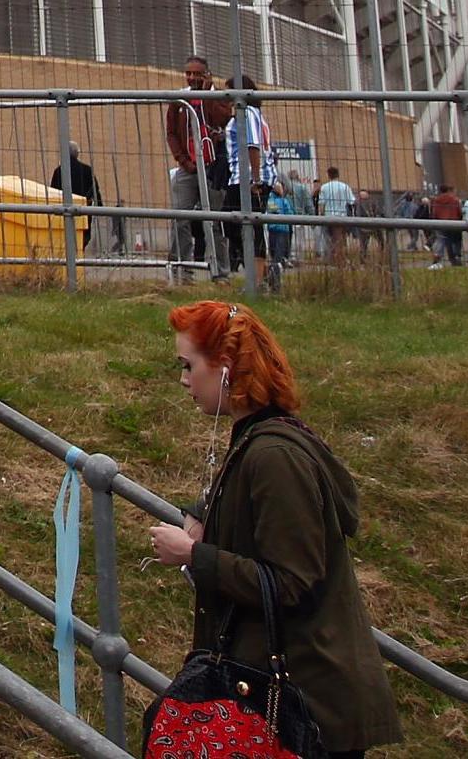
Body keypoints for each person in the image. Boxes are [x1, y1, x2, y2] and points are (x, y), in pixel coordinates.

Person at [147, 301, 402, 757]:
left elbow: (291, 581)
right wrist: (204, 513)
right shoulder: (260, 441)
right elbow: (253, 513)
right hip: (291, 702)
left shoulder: (274, 457)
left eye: (188, 366)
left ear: (225, 369)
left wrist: (192, 555)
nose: (183, 380)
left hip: (307, 715)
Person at [166, 55, 233, 280]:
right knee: (180, 218)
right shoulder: (179, 101)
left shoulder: (219, 97)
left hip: (212, 168)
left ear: (207, 74)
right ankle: (182, 269)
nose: (192, 77)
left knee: (213, 221)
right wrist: (183, 161)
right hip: (188, 167)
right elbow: (172, 133)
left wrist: (206, 96)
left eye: (197, 73)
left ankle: (220, 272)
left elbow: (222, 119)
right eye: (188, 73)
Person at [221, 76, 277, 288]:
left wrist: (256, 179)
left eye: (228, 93)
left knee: (247, 227)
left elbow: (253, 145)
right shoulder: (250, 115)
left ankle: (258, 278)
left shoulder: (248, 113)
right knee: (237, 225)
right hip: (240, 176)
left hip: (247, 178)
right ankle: (258, 274)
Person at [49, 141, 104, 251]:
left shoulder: (59, 171)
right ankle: (79, 253)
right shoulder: (87, 170)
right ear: (77, 154)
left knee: (65, 235)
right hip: (83, 210)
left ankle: (68, 257)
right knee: (83, 235)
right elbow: (95, 190)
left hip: (63, 210)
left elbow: (53, 192)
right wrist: (99, 206)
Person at [318, 166, 356, 261]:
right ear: (338, 175)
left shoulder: (324, 187)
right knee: (341, 238)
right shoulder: (345, 187)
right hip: (342, 216)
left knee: (330, 239)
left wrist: (321, 215)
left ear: (328, 175)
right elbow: (352, 202)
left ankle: (334, 257)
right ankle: (340, 257)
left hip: (329, 216)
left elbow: (321, 204)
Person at [427, 182, 461, 269]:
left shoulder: (436, 201)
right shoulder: (454, 200)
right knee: (453, 241)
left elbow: (434, 213)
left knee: (441, 240)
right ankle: (454, 258)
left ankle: (437, 258)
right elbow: (458, 211)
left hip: (441, 222)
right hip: (453, 222)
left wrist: (435, 220)